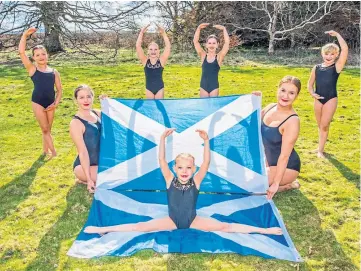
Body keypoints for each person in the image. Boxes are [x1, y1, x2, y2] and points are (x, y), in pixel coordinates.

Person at [84, 129, 282, 235]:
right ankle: (103, 229)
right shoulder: (169, 178)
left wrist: (206, 141)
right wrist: (162, 139)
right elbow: (161, 160)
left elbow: (206, 162)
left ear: (193, 169)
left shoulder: (196, 180)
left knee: (225, 227)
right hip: (171, 220)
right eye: (180, 167)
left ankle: (263, 230)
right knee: (140, 226)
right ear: (174, 169)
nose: (185, 171)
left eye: (188, 168)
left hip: (193, 221)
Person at [253, 75, 302, 200]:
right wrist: (254, 102)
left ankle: (284, 186)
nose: (285, 96)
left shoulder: (292, 121)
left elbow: (284, 156)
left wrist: (275, 183)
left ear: (296, 96)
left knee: (251, 188)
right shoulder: (270, 107)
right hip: (266, 161)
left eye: (291, 93)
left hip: (287, 167)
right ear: (278, 90)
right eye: (283, 90)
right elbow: (251, 123)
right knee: (240, 179)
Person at [18, 27, 62, 158]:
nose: (41, 57)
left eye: (43, 54)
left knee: (48, 128)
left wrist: (56, 103)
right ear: (34, 58)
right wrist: (25, 35)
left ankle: (44, 151)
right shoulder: (32, 69)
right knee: (45, 129)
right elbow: (21, 52)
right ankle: (53, 153)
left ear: (47, 55)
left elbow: (59, 90)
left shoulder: (54, 72)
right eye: (37, 55)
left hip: (51, 103)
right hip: (37, 101)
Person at [307, 31, 348, 158]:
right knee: (320, 125)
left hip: (331, 99)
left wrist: (337, 35)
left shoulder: (337, 67)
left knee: (324, 125)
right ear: (322, 54)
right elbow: (310, 84)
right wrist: (313, 93)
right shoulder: (317, 67)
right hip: (318, 99)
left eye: (332, 54)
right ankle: (320, 147)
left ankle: (320, 151)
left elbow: (345, 49)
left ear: (336, 55)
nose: (329, 56)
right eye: (326, 53)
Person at [70, 85, 104, 193]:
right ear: (76, 100)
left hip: (102, 162)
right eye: (81, 97)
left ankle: (90, 179)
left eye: (88, 96)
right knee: (114, 178)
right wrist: (89, 180)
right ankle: (85, 178)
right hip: (84, 166)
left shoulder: (97, 113)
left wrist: (107, 104)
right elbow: (83, 152)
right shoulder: (76, 123)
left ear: (93, 97)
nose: (86, 100)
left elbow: (117, 121)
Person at [193, 23, 230, 97]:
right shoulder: (203, 56)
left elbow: (227, 43)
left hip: (214, 87)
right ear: (206, 45)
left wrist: (224, 29)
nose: (211, 45)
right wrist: (198, 28)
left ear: (217, 44)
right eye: (209, 43)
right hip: (203, 87)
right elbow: (195, 42)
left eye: (214, 43)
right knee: (204, 107)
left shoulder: (219, 57)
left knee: (213, 107)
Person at [136, 23, 171, 99]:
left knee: (159, 109)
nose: (153, 51)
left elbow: (168, 46)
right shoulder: (145, 61)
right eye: (151, 49)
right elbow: (138, 46)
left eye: (155, 49)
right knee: (151, 109)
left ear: (159, 51)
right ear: (148, 51)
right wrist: (141, 33)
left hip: (160, 89)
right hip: (149, 89)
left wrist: (164, 34)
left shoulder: (161, 61)